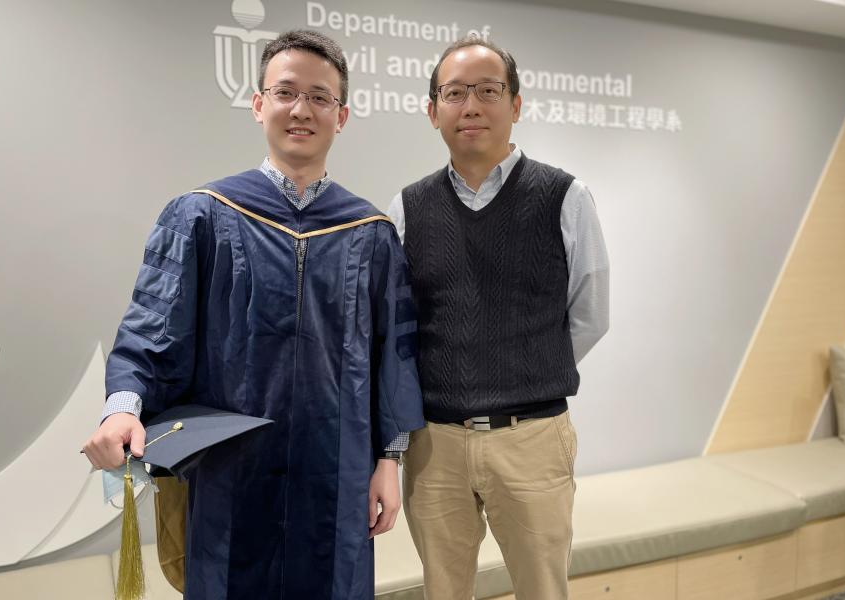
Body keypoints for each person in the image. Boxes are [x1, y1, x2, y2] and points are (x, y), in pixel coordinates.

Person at [82, 29, 424, 600]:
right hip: (229, 473)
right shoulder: (202, 216)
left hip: (334, 478)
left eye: (321, 97)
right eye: (286, 92)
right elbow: (150, 328)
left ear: (342, 117)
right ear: (259, 104)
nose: (302, 109)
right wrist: (122, 408)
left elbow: (393, 356)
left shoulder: (371, 234)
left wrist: (388, 460)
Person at [388, 37, 610, 600]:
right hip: (434, 446)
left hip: (532, 439)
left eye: (489, 91)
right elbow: (402, 329)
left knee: (544, 590)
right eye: (455, 93)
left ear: (516, 104)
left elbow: (589, 313)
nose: (471, 106)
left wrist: (527, 371)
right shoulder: (406, 208)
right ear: (432, 109)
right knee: (444, 592)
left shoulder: (565, 196)